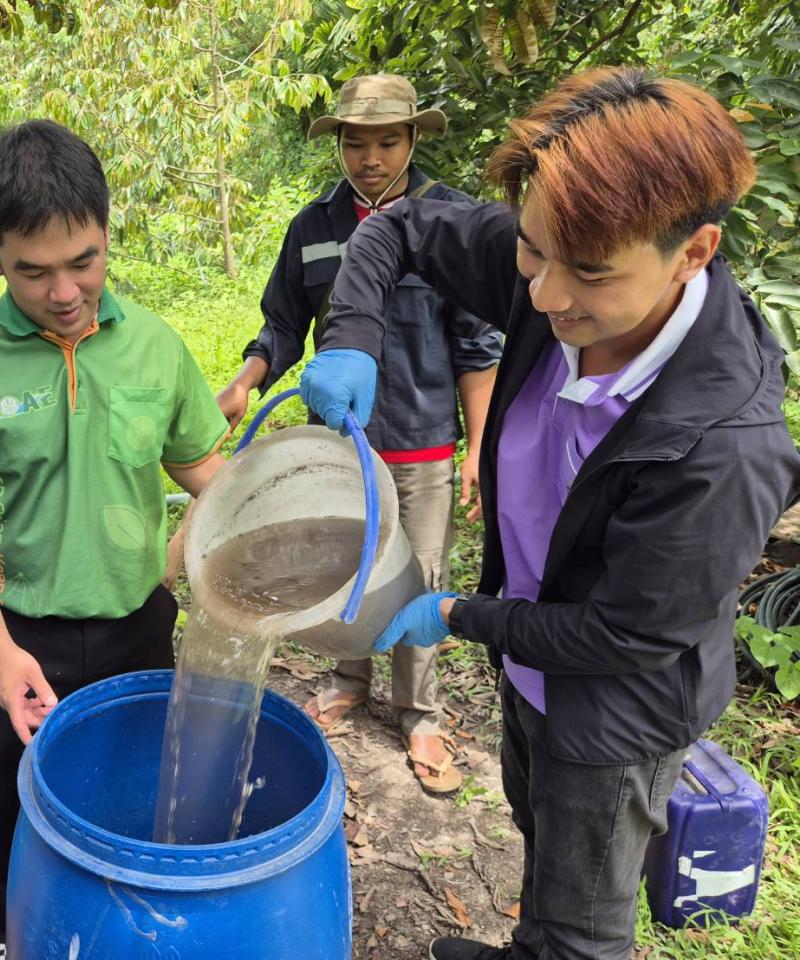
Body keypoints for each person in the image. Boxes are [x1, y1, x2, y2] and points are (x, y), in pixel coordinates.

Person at [299, 66, 800, 960]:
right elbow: (400, 227)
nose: (544, 296)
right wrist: (353, 337)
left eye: (591, 274)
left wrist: (461, 614)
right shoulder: (562, 257)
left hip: (613, 709)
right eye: (533, 253)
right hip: (531, 663)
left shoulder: (722, 443)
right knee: (539, 830)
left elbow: (623, 636)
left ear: (693, 252)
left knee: (583, 924)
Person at [0, 120, 229, 960]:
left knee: (133, 785)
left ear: (108, 232)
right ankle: (13, 933)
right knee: (9, 802)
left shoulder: (154, 347)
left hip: (136, 622)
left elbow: (202, 467)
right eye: (34, 271)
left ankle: (124, 930)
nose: (66, 291)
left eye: (85, 261)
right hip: (15, 631)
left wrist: (277, 508)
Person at [218, 74, 501, 794]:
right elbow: (284, 324)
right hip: (341, 445)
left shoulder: (452, 221)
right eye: (355, 143)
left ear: (412, 140)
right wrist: (247, 380)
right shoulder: (313, 228)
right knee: (346, 565)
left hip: (424, 441)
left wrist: (480, 446)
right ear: (338, 144)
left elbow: (476, 347)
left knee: (417, 575)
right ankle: (349, 678)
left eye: (387, 141)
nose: (370, 157)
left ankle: (418, 712)